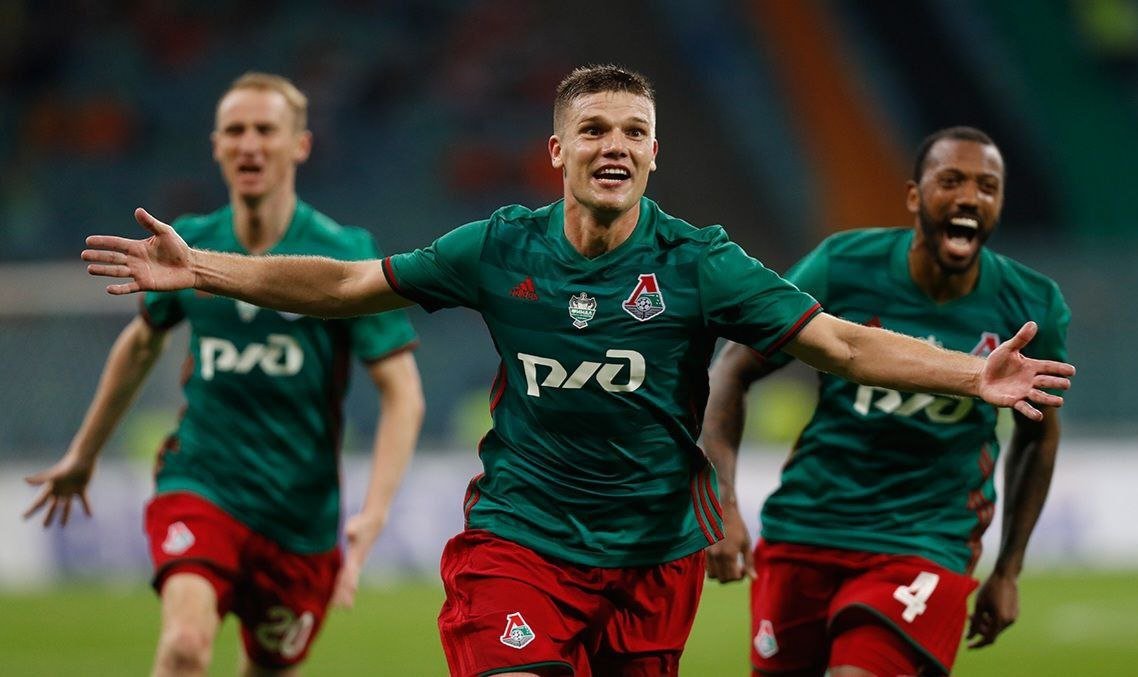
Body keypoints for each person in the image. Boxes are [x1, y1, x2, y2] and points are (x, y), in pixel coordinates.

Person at [80, 68, 1073, 677]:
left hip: (651, 558)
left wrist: (968, 374)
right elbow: (347, 282)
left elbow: (842, 345)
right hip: (523, 539)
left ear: (654, 153)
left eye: (633, 131)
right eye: (595, 129)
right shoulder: (497, 248)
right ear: (558, 150)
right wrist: (203, 267)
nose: (615, 146)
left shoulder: (699, 262)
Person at [24, 72, 425, 677]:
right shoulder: (186, 243)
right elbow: (141, 345)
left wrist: (375, 510)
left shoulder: (342, 253)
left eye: (266, 129)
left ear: (300, 145)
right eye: (235, 131)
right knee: (185, 646)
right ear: (216, 146)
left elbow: (403, 393)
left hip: (300, 515)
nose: (249, 144)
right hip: (203, 482)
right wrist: (84, 454)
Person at [702, 126, 1070, 676]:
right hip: (808, 525)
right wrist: (723, 502)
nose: (970, 197)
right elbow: (733, 367)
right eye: (952, 181)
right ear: (915, 196)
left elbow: (1039, 437)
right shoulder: (843, 265)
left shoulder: (1032, 306)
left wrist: (1008, 570)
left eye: (988, 187)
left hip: (928, 539)